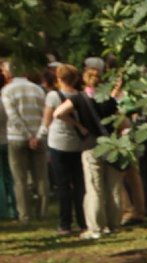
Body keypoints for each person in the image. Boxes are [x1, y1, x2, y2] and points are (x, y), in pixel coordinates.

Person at [53, 67, 123, 239]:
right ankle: (113, 224)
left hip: (91, 145)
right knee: (113, 188)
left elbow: (58, 113)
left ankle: (96, 227)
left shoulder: (79, 98)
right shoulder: (109, 99)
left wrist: (79, 126)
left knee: (94, 188)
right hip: (112, 145)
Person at [41, 63, 88, 235]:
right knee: (79, 185)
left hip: (58, 143)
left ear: (59, 78)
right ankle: (83, 221)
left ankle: (65, 224)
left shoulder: (53, 96)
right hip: (78, 143)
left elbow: (47, 120)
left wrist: (41, 137)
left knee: (62, 185)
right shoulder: (81, 96)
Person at [1, 59, 49, 224]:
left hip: (17, 137)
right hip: (39, 135)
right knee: (41, 177)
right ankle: (42, 212)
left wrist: (28, 135)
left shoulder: (7, 91)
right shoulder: (38, 89)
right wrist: (38, 135)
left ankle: (25, 215)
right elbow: (45, 115)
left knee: (19, 179)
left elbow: (13, 116)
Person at [0, 67, 17, 220]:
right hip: (8, 139)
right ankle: (14, 208)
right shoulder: (5, 98)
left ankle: (3, 210)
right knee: (10, 176)